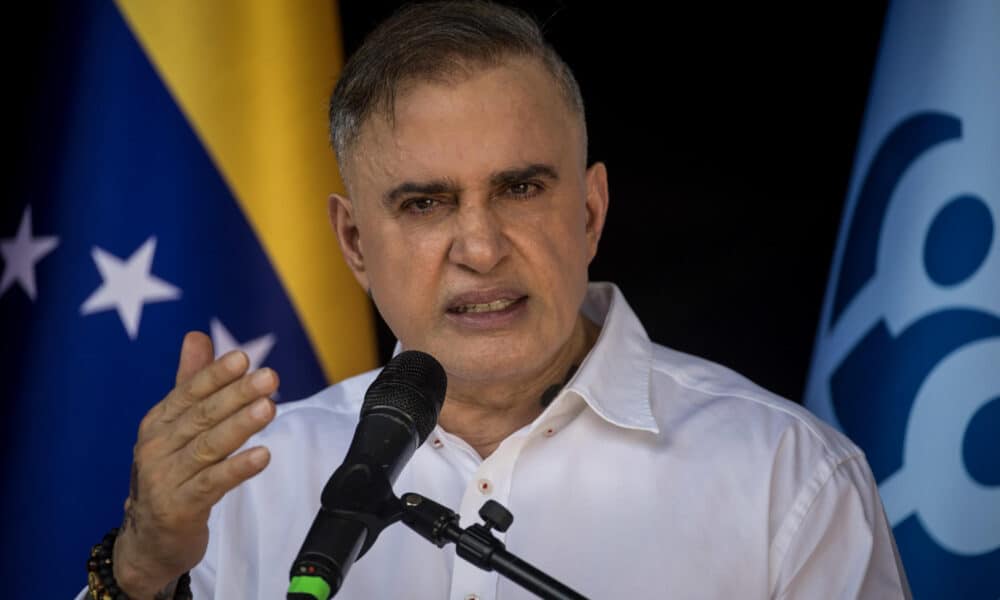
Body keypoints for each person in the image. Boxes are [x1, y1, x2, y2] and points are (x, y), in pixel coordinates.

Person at [81, 2, 910, 598]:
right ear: (355, 245)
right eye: (425, 203)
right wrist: (140, 573)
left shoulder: (789, 480)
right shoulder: (244, 488)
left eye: (519, 188)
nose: (479, 249)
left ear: (589, 212)